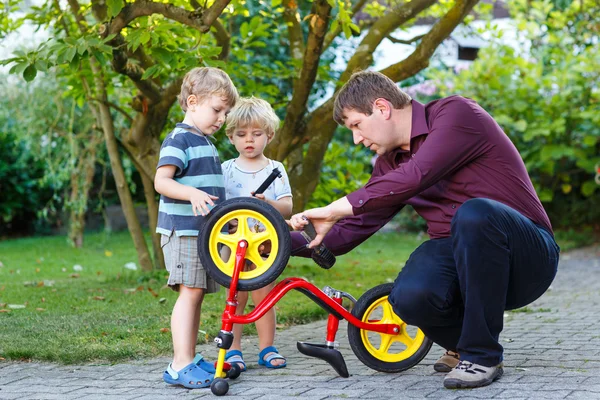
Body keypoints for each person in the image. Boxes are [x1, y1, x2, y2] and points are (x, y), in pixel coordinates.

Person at [287, 70, 560, 389]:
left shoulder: (457, 114)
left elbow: (417, 174)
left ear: (382, 108)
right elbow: (354, 225)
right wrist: (274, 244)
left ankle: (482, 356)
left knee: (474, 213)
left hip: (526, 258)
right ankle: (462, 346)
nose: (357, 140)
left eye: (356, 125)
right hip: (461, 262)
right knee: (408, 297)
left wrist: (336, 206)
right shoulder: (390, 164)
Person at [154, 67, 239, 389]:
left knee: (196, 294)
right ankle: (179, 364)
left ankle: (187, 357)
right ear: (192, 102)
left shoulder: (205, 142)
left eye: (225, 112)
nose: (221, 118)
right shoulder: (180, 139)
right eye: (217, 109)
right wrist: (188, 192)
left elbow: (212, 195)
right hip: (182, 232)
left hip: (202, 234)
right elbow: (162, 181)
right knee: (189, 295)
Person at [221, 96, 293, 372]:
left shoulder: (275, 170)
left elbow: (287, 207)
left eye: (256, 134)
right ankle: (233, 350)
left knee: (264, 297)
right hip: (233, 246)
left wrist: (268, 203)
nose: (248, 140)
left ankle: (267, 348)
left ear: (269, 135)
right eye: (241, 134)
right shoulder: (226, 170)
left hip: (264, 246)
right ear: (231, 137)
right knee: (234, 298)